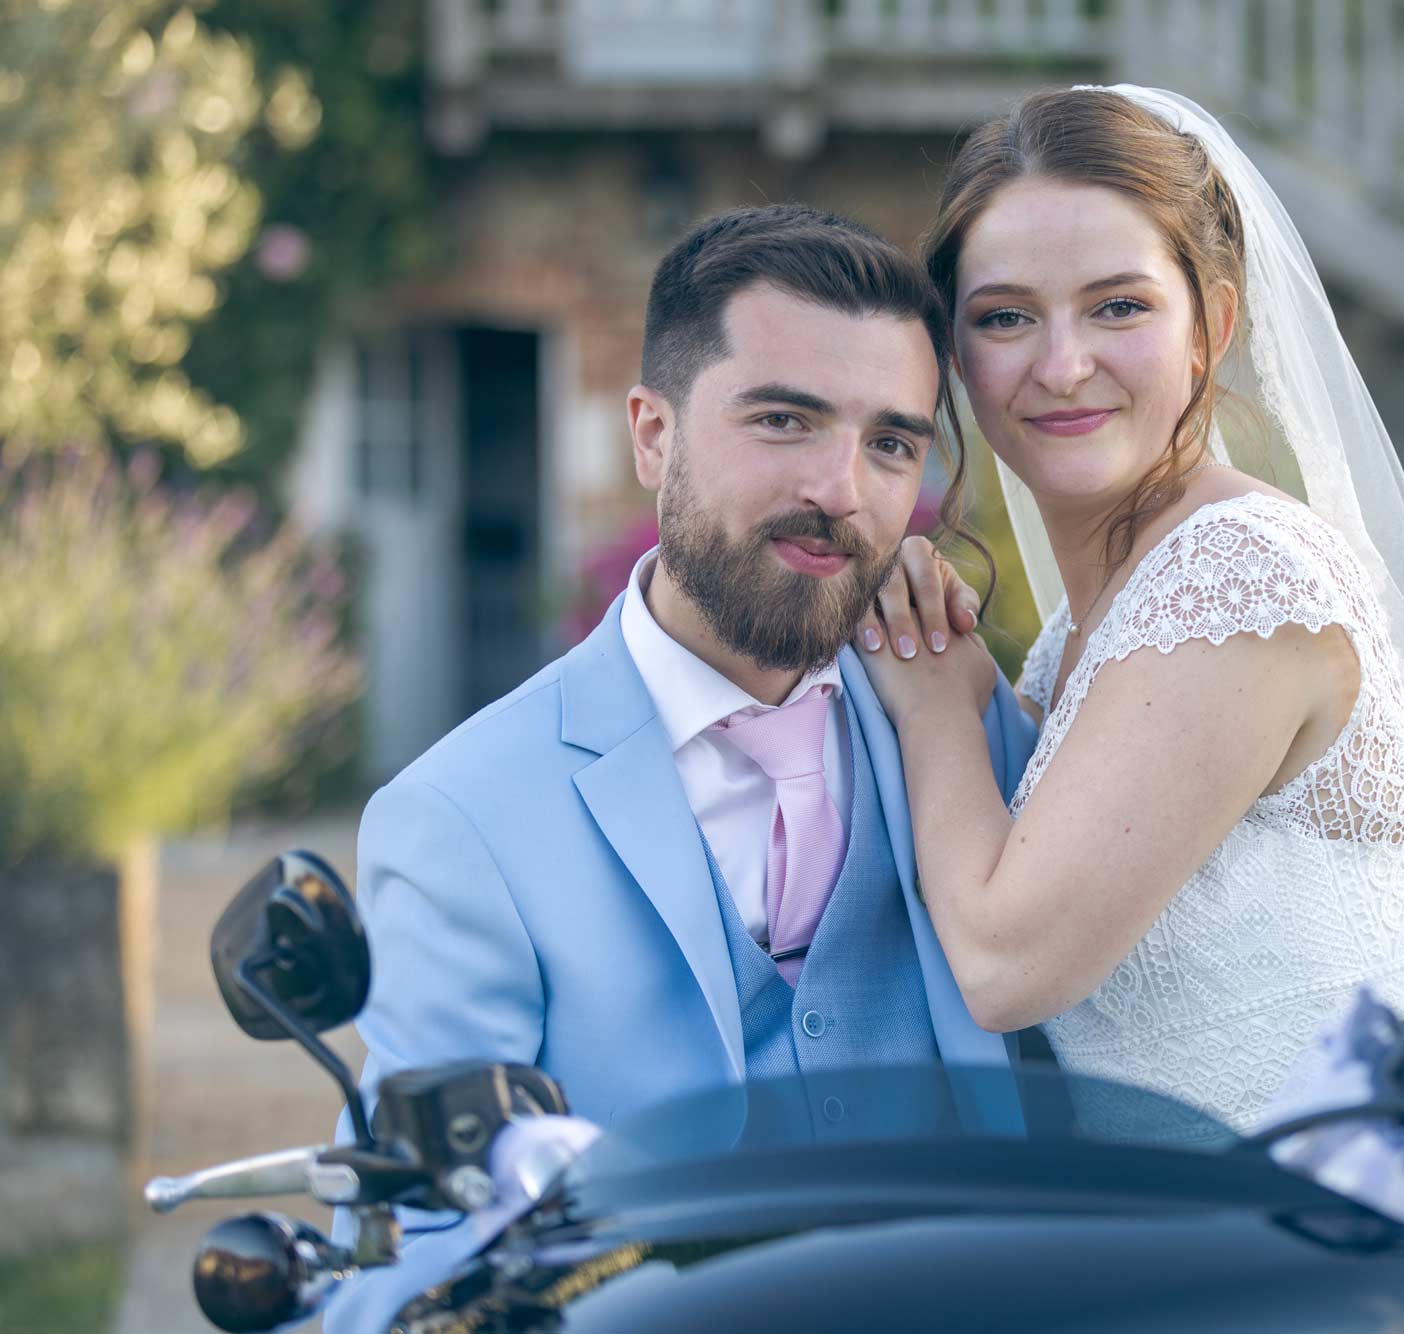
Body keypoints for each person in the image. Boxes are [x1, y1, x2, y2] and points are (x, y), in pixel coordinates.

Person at [322, 203, 1032, 1332]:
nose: (841, 488)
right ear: (651, 434)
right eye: (785, 420)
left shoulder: (966, 730)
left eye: (891, 440)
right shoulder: (461, 819)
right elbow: (411, 1256)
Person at [854, 85, 1404, 1132]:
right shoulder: (1081, 634)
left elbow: (1005, 964)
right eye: (1004, 317)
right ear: (957, 354)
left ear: (1210, 325)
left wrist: (942, 702)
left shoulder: (1235, 581)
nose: (1060, 365)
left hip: (1328, 1244)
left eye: (1118, 306)